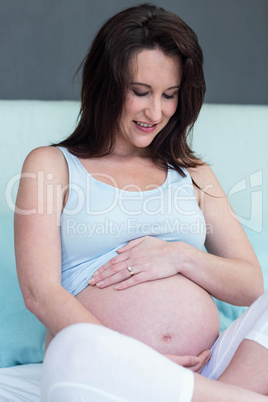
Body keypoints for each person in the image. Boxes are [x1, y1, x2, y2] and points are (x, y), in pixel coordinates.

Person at [14, 3, 268, 401]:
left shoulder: (194, 173)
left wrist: (181, 256)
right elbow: (39, 292)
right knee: (71, 354)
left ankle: (201, 393)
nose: (156, 112)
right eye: (140, 92)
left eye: (169, 95)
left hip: (212, 365)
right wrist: (133, 360)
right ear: (106, 83)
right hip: (106, 368)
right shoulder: (51, 166)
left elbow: (252, 285)